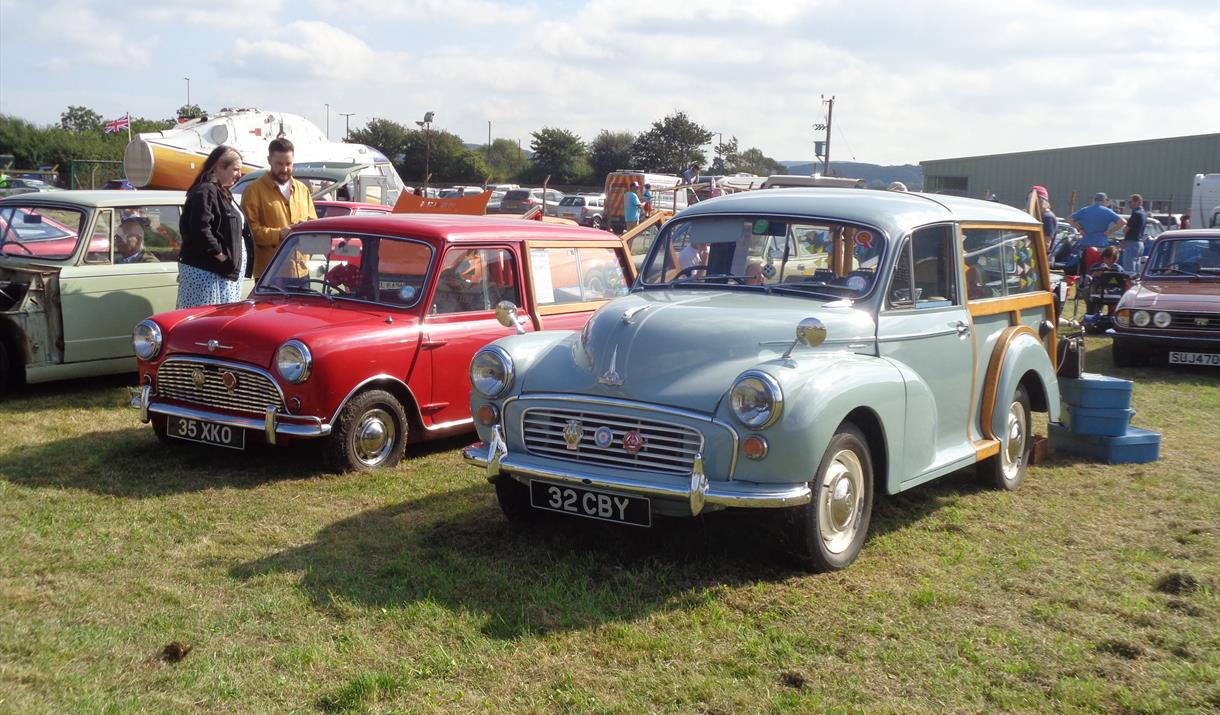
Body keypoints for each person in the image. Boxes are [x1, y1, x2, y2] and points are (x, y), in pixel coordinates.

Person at [177, 145, 247, 308]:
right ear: (221, 167)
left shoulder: (222, 191)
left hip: (221, 274)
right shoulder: (206, 190)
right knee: (204, 321)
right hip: (207, 274)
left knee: (221, 323)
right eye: (235, 169)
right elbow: (200, 229)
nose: (239, 174)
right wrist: (219, 254)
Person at [241, 137, 317, 278]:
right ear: (269, 160)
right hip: (269, 275)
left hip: (302, 271)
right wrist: (279, 234)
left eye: (289, 164)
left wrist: (306, 228)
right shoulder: (253, 191)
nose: (284, 169)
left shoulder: (302, 190)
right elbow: (250, 233)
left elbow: (314, 225)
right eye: (279, 164)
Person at [1069, 192, 1125, 272]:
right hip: (1101, 245)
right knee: (1101, 268)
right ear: (1104, 200)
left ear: (1095, 200)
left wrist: (1080, 229)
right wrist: (1109, 232)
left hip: (1086, 244)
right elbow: (1122, 222)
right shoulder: (1108, 211)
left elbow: (1069, 219)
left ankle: (1084, 281)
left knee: (1084, 269)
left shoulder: (1085, 210)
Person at [1121, 193, 1146, 272]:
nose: (1129, 204)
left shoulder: (1136, 214)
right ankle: (1136, 283)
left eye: (1130, 202)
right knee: (1136, 268)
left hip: (1132, 243)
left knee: (1129, 269)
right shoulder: (1144, 213)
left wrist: (1123, 230)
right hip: (1139, 243)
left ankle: (1130, 284)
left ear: (1137, 202)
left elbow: (1126, 229)